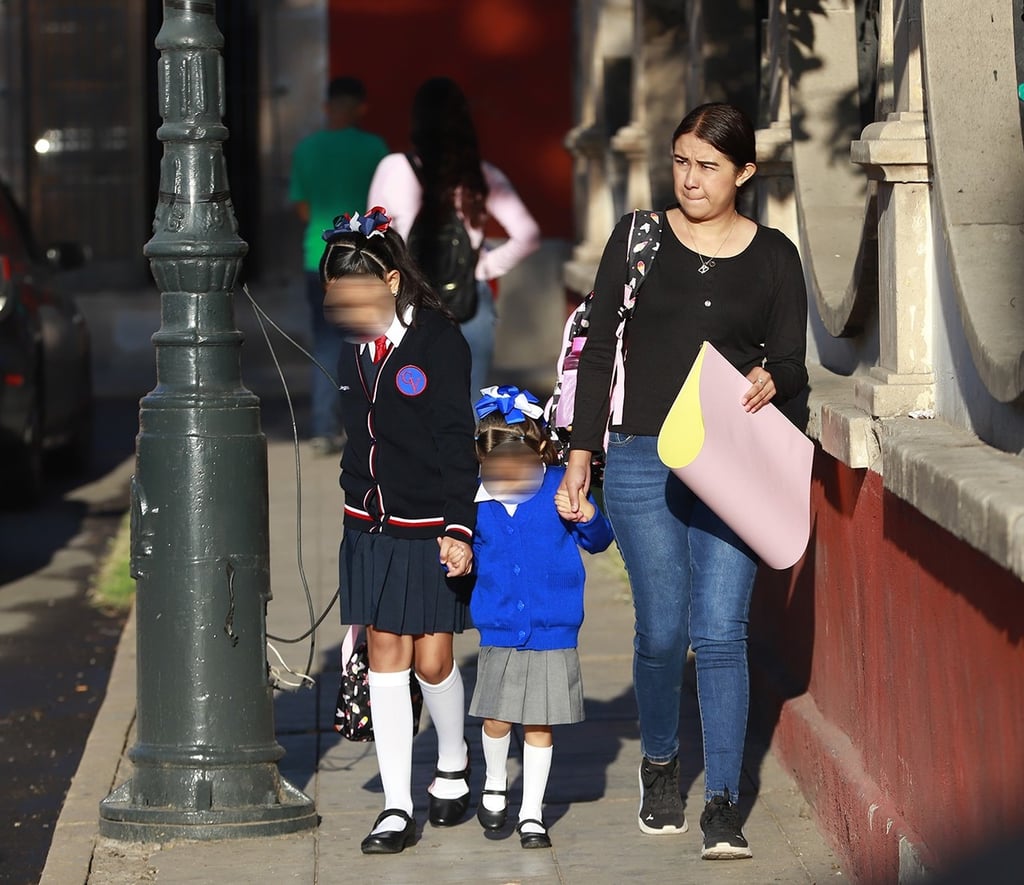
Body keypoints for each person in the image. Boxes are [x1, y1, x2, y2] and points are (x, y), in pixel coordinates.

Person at [558, 102, 808, 861]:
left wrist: (774, 376)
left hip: (730, 462)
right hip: (638, 459)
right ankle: (662, 763)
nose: (691, 179)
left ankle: (725, 800)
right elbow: (598, 349)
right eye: (681, 162)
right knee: (663, 629)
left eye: (708, 166)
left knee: (721, 632)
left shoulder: (774, 255)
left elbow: (794, 363)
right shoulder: (637, 238)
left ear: (744, 173)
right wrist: (580, 455)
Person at [319, 207, 478, 855]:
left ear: (390, 279)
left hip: (430, 526)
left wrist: (460, 528)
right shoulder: (354, 347)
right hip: (370, 526)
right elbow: (360, 435)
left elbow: (454, 442)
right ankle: (395, 804)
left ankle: (454, 760)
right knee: (386, 654)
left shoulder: (440, 341)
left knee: (433, 659)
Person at [467, 385, 614, 849]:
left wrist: (587, 512)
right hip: (499, 627)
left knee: (539, 723)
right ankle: (494, 781)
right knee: (496, 716)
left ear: (541, 450)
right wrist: (455, 553)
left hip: (554, 627)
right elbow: (463, 545)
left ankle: (532, 812)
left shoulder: (557, 486)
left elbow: (598, 539)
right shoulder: (475, 500)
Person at [367, 77, 541, 396]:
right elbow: (528, 235)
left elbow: (375, 239)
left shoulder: (393, 168)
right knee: (469, 398)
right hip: (469, 300)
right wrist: (482, 267)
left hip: (407, 299)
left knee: (409, 399)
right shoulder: (480, 175)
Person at [290, 76, 388, 454]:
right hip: (364, 256)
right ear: (360, 108)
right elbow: (382, 205)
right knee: (372, 341)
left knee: (327, 344)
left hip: (318, 257)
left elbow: (302, 207)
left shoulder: (307, 149)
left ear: (327, 107)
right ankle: (371, 424)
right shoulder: (375, 148)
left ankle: (323, 428)